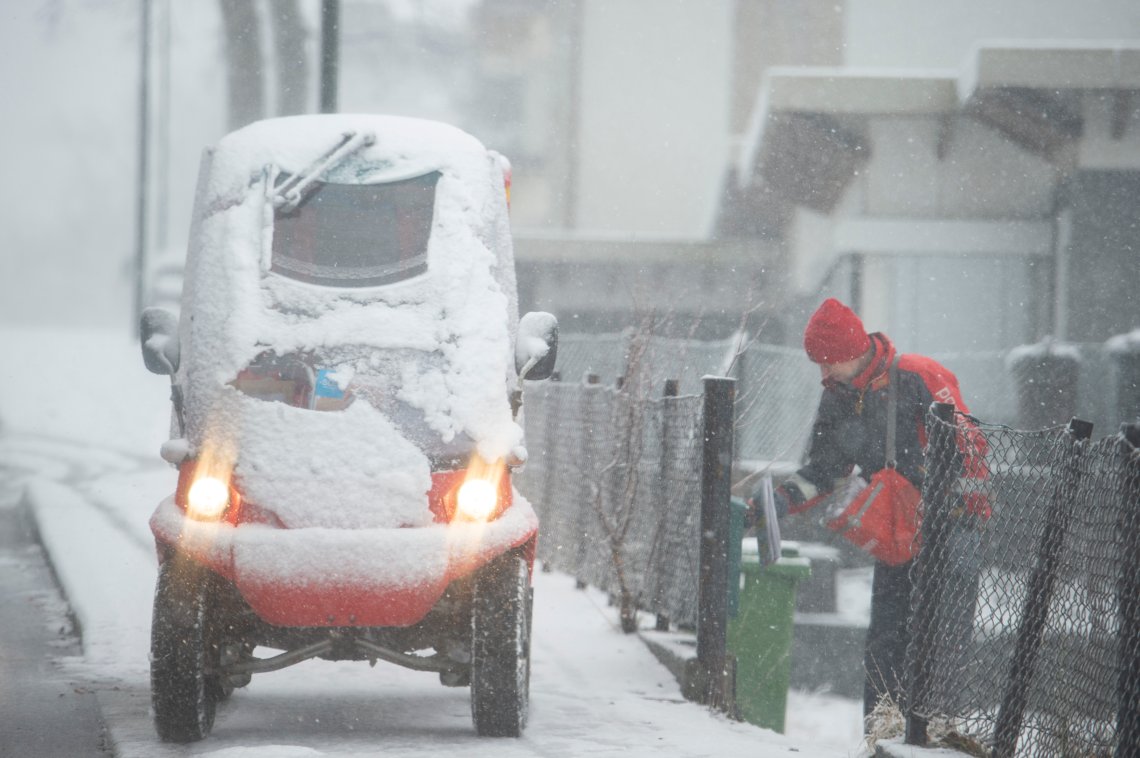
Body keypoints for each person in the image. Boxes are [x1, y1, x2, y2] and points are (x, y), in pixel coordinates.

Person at [749, 297, 985, 728]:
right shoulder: (839, 396)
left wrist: (947, 506)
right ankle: (881, 733)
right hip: (898, 534)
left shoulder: (918, 377)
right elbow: (824, 469)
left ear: (855, 351)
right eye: (817, 364)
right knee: (886, 642)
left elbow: (970, 453)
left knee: (941, 643)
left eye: (828, 362)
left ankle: (937, 734)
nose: (823, 374)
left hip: (952, 531)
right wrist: (778, 503)